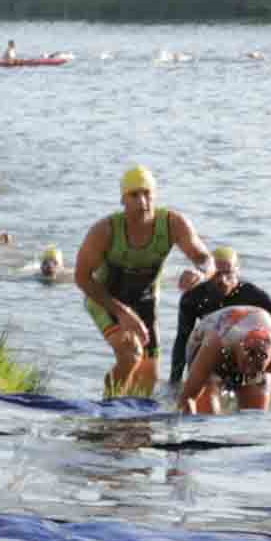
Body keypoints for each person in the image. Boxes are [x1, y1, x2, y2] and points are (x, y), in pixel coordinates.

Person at [76, 165, 211, 399]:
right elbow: (81, 277)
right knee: (130, 353)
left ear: (155, 196)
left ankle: (136, 429)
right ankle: (107, 410)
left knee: (147, 384)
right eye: (134, 195)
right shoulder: (104, 231)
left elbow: (205, 258)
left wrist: (200, 272)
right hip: (106, 299)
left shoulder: (172, 223)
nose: (142, 201)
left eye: (147, 194)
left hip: (146, 301)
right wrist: (121, 312)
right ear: (122, 200)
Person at [170, 244, 271, 391]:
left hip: (246, 352)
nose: (223, 280)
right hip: (212, 350)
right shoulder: (193, 298)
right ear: (208, 273)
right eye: (217, 274)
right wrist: (175, 382)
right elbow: (182, 340)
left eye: (228, 274)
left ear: (237, 270)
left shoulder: (257, 297)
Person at [174, 301, 271, 415]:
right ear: (241, 347)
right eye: (249, 356)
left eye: (258, 363)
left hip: (251, 333)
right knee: (207, 418)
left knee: (255, 418)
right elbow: (187, 399)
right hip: (205, 341)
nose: (251, 365)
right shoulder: (217, 343)